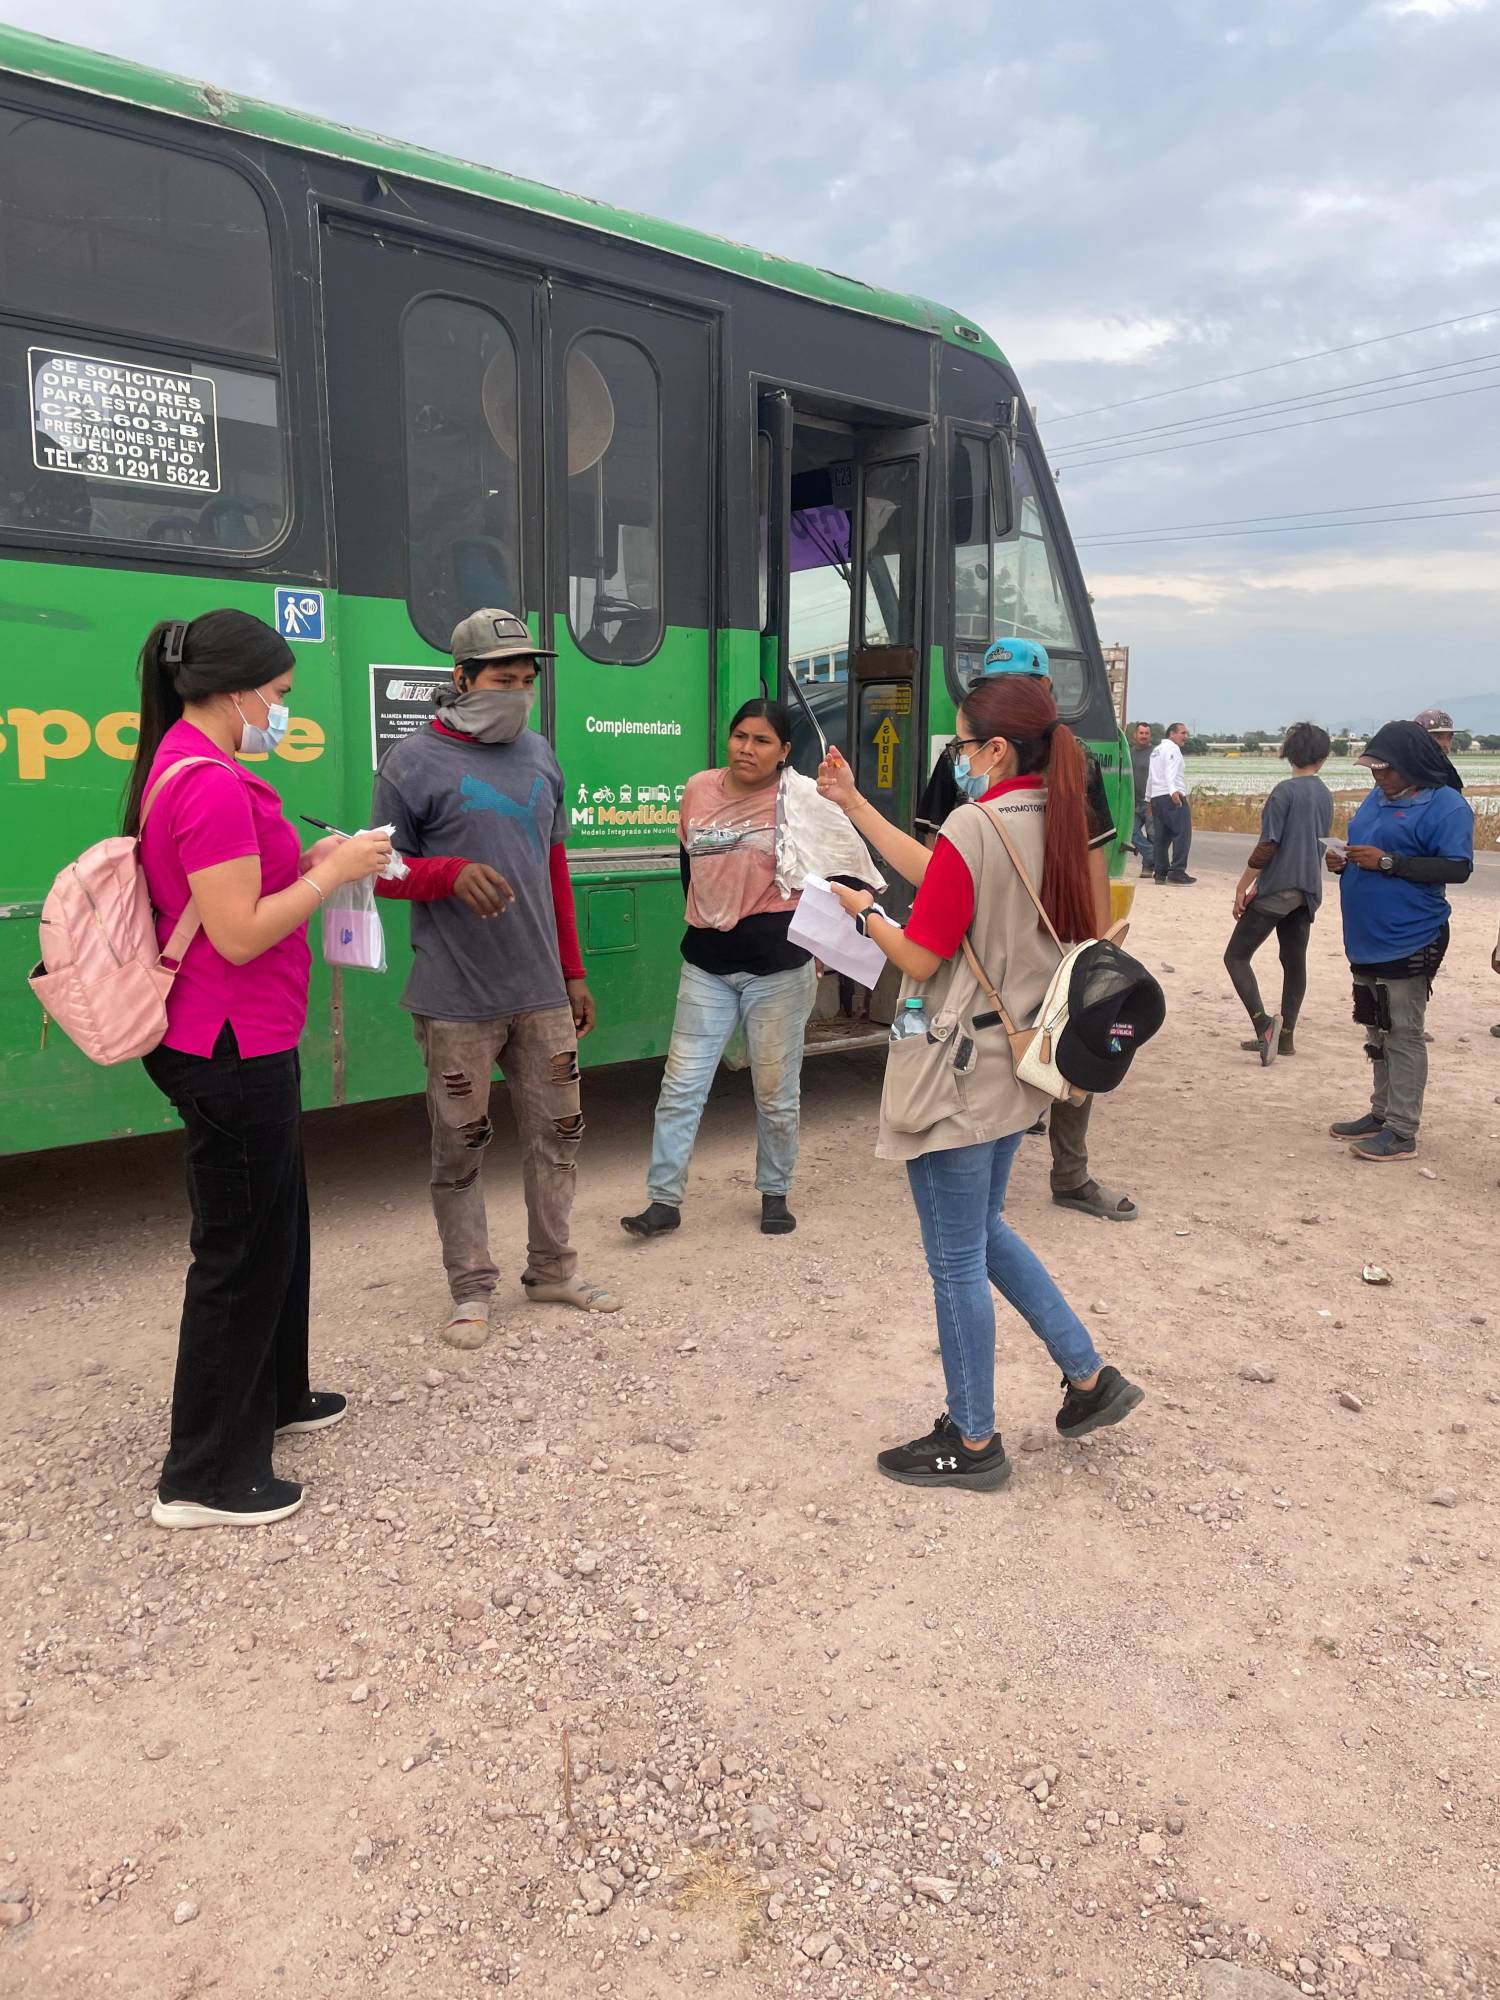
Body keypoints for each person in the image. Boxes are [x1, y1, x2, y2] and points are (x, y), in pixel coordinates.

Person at [817, 672, 1144, 1489]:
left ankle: (972, 1443)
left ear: (996, 747)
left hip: (957, 1063)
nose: (957, 757)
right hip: (1021, 1062)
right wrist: (856, 807)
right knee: (985, 1231)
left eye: (962, 744)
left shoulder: (978, 822)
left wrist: (861, 914)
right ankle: (1088, 1378)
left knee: (956, 1258)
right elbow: (948, 875)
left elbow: (923, 954)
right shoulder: (1057, 816)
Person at [128, 611, 393, 1528]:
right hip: (226, 1041)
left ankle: (274, 1397)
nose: (280, 712)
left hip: (241, 1036)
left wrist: (313, 859)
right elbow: (239, 932)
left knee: (277, 1224)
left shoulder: (192, 767)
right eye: (277, 697)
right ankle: (202, 1477)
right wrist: (337, 871)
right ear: (234, 690)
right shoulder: (207, 784)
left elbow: (237, 893)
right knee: (239, 1250)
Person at [371, 609, 617, 1349]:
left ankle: (552, 1268)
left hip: (541, 992)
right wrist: (445, 874)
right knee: (461, 1146)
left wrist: (573, 972)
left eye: (527, 681)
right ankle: (471, 1288)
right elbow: (381, 871)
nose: (517, 693)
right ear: (461, 680)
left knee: (560, 1136)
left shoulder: (540, 754)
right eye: (502, 680)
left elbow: (554, 869)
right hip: (456, 999)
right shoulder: (410, 764)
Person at [915, 640, 1137, 1221]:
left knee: (1071, 1044)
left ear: (1044, 693)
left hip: (1054, 934)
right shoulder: (955, 758)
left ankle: (1071, 1174)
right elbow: (932, 851)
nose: (1006, 696)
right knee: (980, 1050)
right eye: (992, 687)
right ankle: (969, 1176)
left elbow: (1093, 857)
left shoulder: (1076, 759)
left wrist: (1095, 946)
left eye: (1018, 685)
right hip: (983, 940)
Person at [621, 700, 819, 1239]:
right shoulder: (699, 788)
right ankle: (663, 1201)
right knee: (681, 1085)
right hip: (706, 964)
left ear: (784, 753)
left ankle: (774, 1194)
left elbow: (830, 872)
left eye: (761, 741)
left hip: (778, 969)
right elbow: (689, 862)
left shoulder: (797, 800)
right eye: (739, 736)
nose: (746, 749)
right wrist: (711, 917)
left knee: (776, 1092)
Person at [1325, 720, 1473, 1162]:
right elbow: (1364, 847)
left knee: (1404, 1032)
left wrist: (1387, 862)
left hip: (1412, 935)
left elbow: (1457, 868)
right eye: (1373, 770)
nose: (1379, 778)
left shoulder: (1446, 806)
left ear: (1412, 764)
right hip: (1366, 936)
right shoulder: (1376, 798)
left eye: (1387, 770)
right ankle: (1380, 1111)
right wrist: (1343, 860)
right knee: (1376, 1026)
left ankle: (1403, 1130)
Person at [1225, 722, 1333, 1064]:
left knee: (1236, 957)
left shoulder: (1284, 792)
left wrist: (1243, 885)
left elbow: (1268, 846)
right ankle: (1285, 1038)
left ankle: (1263, 1028)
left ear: (1288, 751)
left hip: (1277, 890)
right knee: (1294, 962)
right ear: (1323, 757)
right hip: (1307, 891)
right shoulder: (1324, 794)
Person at [1147, 723, 1195, 884]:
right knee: (1182, 834)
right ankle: (1177, 871)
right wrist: (1173, 791)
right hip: (1171, 797)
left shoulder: (1156, 751)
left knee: (1162, 837)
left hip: (1157, 798)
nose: (1185, 736)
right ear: (1172, 734)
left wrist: (1148, 798)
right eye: (1182, 733)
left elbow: (1151, 776)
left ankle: (1160, 873)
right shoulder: (1172, 749)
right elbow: (1170, 771)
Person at [1129, 721, 1155, 877]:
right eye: (1141, 733)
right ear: (1135, 735)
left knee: (1153, 835)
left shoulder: (1155, 753)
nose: (1144, 736)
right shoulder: (1129, 753)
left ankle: (1147, 868)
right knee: (1130, 832)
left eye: (1147, 733)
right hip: (1133, 802)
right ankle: (1154, 855)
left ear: (1150, 735)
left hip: (1150, 802)